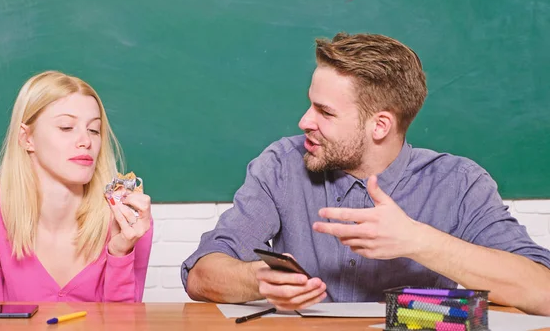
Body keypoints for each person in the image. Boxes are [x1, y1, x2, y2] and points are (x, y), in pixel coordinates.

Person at [181, 33, 550, 315]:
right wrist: (256, 280)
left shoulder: (459, 183)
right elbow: (201, 274)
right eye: (310, 104)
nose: (304, 121)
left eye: (325, 112)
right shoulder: (281, 165)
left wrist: (418, 241)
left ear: (380, 126)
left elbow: (542, 291)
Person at [0, 71, 153, 302]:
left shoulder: (128, 218)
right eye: (66, 127)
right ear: (26, 138)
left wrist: (120, 252)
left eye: (94, 130)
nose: (86, 141)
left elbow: (124, 324)